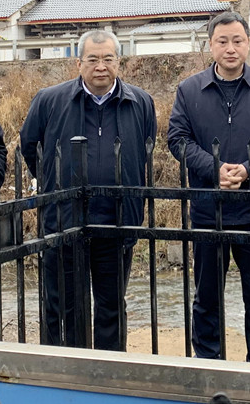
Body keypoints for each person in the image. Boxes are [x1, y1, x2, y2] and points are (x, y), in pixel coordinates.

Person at [168, 11, 250, 363]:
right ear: (210, 45)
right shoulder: (189, 89)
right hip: (208, 210)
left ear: (248, 43)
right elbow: (177, 139)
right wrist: (215, 170)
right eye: (222, 41)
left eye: (237, 40)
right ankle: (209, 361)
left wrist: (248, 170)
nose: (230, 48)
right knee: (207, 295)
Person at [20, 30, 157, 350]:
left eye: (108, 58)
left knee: (112, 307)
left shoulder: (140, 102)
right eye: (92, 59)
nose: (100, 66)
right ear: (78, 63)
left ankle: (108, 370)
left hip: (117, 223)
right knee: (62, 307)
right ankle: (66, 369)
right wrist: (53, 185)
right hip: (63, 223)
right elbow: (30, 147)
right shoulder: (50, 100)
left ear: (119, 62)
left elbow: (145, 147)